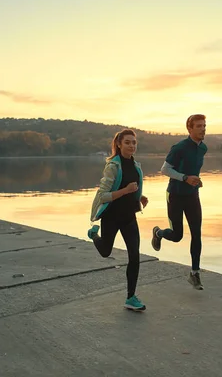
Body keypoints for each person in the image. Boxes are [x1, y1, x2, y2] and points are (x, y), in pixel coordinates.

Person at [87, 129, 149, 311]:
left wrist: (139, 198)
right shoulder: (113, 166)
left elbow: (132, 188)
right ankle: (94, 235)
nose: (131, 145)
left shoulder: (136, 165)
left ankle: (131, 297)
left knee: (135, 256)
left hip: (129, 216)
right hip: (111, 216)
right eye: (128, 142)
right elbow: (103, 196)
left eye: (134, 142)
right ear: (119, 144)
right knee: (106, 251)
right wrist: (126, 191)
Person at [151, 114, 207, 290]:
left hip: (192, 195)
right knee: (177, 236)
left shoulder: (203, 148)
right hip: (175, 195)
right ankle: (158, 233)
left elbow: (192, 170)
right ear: (189, 129)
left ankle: (195, 273)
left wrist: (196, 180)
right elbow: (165, 169)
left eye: (204, 125)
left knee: (196, 233)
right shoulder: (179, 148)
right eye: (198, 126)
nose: (203, 129)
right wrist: (184, 178)